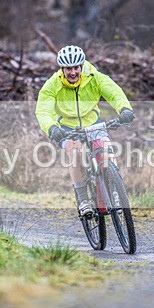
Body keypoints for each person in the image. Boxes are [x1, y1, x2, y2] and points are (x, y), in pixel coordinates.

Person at [36, 44, 135, 217]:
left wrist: (125, 109)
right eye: (68, 69)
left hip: (92, 122)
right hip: (66, 127)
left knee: (106, 150)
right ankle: (83, 199)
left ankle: (113, 191)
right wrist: (52, 128)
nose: (73, 72)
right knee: (75, 152)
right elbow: (43, 111)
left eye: (76, 68)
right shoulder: (52, 85)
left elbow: (114, 93)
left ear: (81, 66)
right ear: (62, 69)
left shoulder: (94, 77)